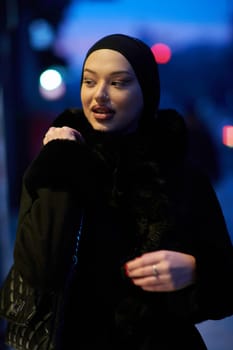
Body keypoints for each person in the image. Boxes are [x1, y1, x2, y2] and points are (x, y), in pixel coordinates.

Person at [7, 34, 233, 349]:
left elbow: (226, 288)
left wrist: (197, 271)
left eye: (119, 83)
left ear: (146, 91)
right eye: (89, 81)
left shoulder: (182, 177)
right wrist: (60, 163)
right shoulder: (55, 162)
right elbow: (39, 272)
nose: (99, 95)